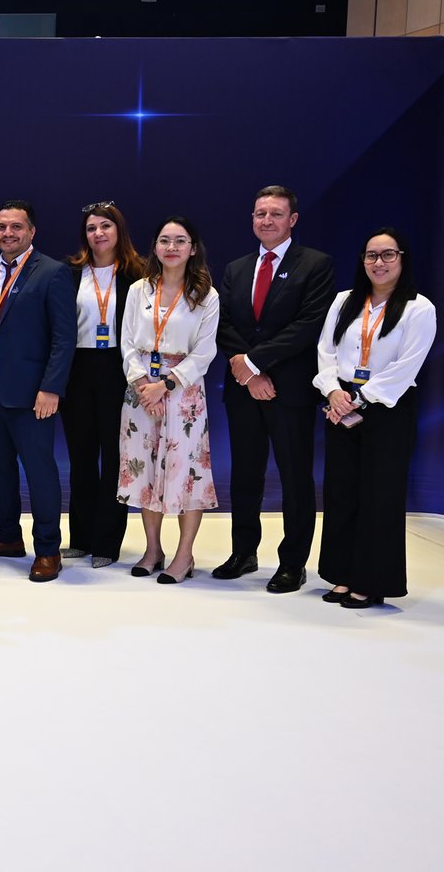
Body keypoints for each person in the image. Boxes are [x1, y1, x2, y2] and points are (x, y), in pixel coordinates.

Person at [214, 186, 336, 593]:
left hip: (290, 391)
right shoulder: (236, 268)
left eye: (275, 213)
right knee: (244, 475)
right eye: (260, 213)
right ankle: (243, 552)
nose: (266, 220)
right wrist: (249, 375)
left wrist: (254, 364)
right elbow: (224, 323)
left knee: (295, 478)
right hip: (243, 390)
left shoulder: (316, 264)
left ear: (292, 219)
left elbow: (308, 325)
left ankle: (292, 563)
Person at [313, 229, 436, 609]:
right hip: (341, 404)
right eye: (371, 255)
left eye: (387, 255)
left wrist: (358, 398)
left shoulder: (418, 308)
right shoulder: (344, 301)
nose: (378, 263)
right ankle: (341, 574)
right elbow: (326, 350)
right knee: (341, 492)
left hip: (387, 410)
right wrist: (333, 391)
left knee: (379, 496)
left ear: (402, 258)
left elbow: (406, 366)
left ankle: (370, 581)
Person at [0, 201, 77, 582]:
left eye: (16, 227)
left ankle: (48, 549)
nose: (7, 233)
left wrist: (51, 388)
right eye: (1, 227)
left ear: (31, 231)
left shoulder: (53, 273)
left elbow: (64, 338)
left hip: (32, 395)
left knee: (40, 471)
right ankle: (7, 536)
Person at [118, 217, 221, 585]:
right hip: (140, 392)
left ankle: (184, 554)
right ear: (155, 247)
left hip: (182, 394)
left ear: (193, 248)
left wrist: (165, 385)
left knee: (185, 472)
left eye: (180, 240)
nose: (172, 247)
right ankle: (152, 550)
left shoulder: (206, 295)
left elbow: (204, 353)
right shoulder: (139, 290)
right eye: (164, 240)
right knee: (144, 469)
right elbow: (127, 342)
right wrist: (142, 383)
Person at [60, 202, 147, 569]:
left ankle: (107, 543)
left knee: (115, 458)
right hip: (78, 369)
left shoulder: (139, 274)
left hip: (119, 367)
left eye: (105, 226)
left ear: (119, 230)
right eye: (91, 228)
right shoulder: (70, 273)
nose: (98, 233)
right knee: (80, 457)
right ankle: (80, 538)